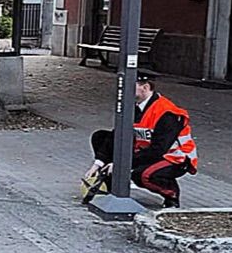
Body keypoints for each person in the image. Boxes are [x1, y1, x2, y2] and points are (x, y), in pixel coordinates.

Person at [85, 74, 198, 208]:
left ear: (145, 87)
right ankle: (111, 184)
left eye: (130, 87)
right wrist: (98, 163)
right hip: (148, 151)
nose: (124, 91)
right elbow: (117, 134)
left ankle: (171, 194)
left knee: (143, 175)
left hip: (174, 158)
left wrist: (122, 165)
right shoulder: (134, 106)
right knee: (101, 137)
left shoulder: (167, 113)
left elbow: (158, 150)